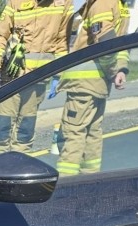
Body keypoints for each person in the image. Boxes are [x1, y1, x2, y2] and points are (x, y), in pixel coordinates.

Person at [0, 0, 75, 158]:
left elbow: (62, 42)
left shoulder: (63, 4)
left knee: (25, 130)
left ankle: (19, 166)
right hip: (11, 77)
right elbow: (0, 36)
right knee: (1, 127)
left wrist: (59, 74)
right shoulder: (15, 2)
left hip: (38, 79)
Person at [55, 0, 130, 175]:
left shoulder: (102, 3)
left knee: (73, 133)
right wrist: (120, 69)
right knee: (93, 132)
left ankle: (66, 182)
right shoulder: (121, 7)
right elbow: (121, 45)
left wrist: (113, 72)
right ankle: (90, 178)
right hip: (99, 85)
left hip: (83, 84)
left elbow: (106, 45)